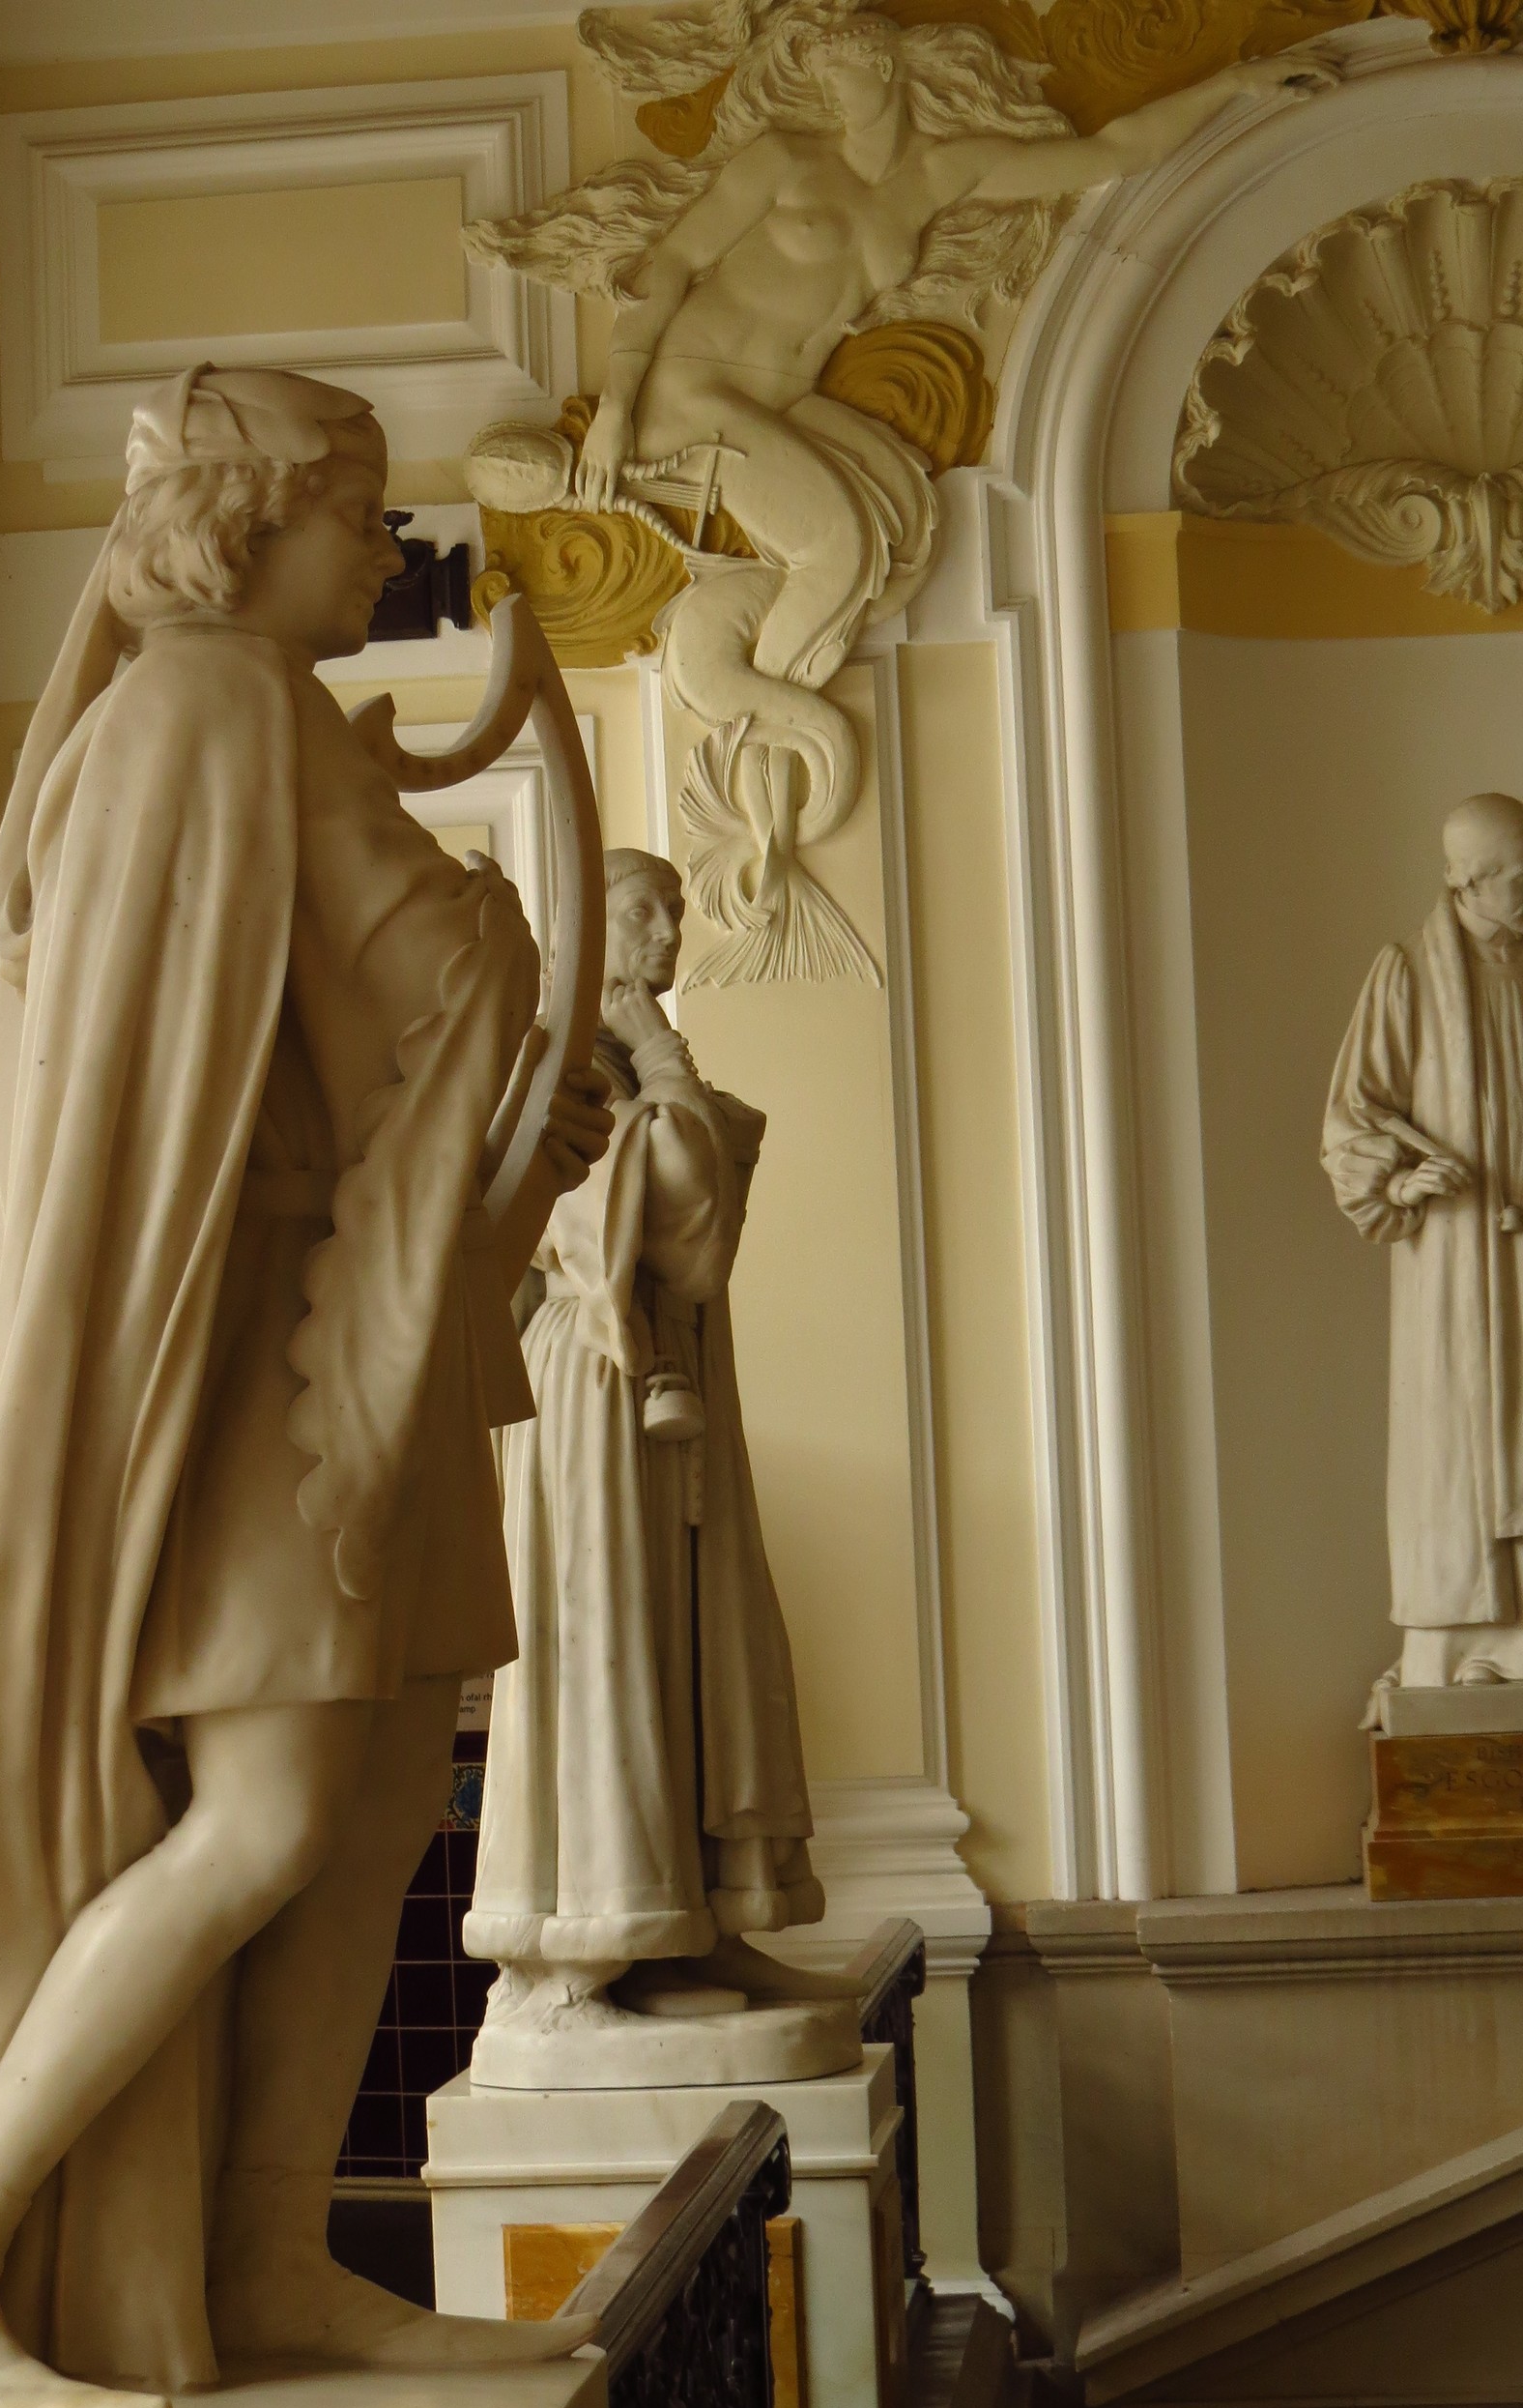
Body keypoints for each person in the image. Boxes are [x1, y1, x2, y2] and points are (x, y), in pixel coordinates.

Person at [0, 364, 612, 2408]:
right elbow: (381, 1004)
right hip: (259, 1349)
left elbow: (375, 1024)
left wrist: (517, 1074)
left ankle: (266, 2255)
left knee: (364, 1815)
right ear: (250, 522)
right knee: (264, 1813)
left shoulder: (252, 722)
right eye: (361, 514)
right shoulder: (200, 713)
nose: (386, 551)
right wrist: (504, 967)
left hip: (357, 1315)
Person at [474, 0, 1335, 976]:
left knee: (895, 521)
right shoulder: (783, 162)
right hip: (695, 397)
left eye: (864, 68)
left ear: (896, 71)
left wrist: (1234, 87)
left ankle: (763, 696)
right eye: (832, 72)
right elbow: (664, 268)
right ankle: (769, 745)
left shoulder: (935, 176)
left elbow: (1104, 151)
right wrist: (620, 408)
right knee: (836, 545)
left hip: (780, 405)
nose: (850, 88)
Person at [467, 849, 822, 2037]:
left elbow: (693, 1207)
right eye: (639, 911)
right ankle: (576, 1954)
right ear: (585, 931)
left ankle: (688, 1929)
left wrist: (667, 1077)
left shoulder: (619, 1062)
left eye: (673, 909)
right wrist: (669, 1069)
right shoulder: (548, 1063)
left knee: (688, 1640)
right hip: (593, 1378)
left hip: (667, 1376)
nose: (667, 930)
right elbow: (677, 1215)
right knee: (603, 1640)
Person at [1326, 794, 1523, 1692]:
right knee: (1463, 1438)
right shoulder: (1408, 972)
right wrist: (1403, 1184)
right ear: (1467, 880)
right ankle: (1460, 1644)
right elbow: (1354, 1115)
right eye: (1518, 875)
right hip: (1459, 1261)